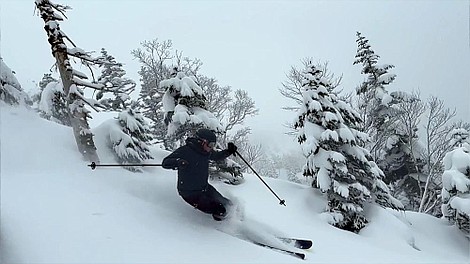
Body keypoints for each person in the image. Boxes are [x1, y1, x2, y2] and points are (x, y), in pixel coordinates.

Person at [162, 128, 238, 221]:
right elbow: (165, 163)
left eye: (213, 145)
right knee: (220, 210)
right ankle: (222, 230)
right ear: (201, 141)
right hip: (190, 193)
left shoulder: (205, 152)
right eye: (210, 144)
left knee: (228, 204)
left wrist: (229, 151)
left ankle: (239, 221)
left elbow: (217, 156)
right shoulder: (185, 151)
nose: (211, 148)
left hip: (204, 188)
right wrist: (178, 162)